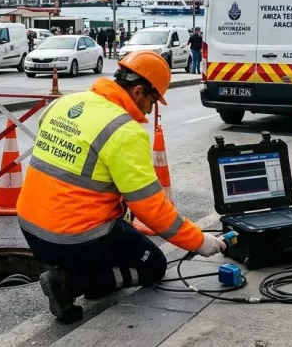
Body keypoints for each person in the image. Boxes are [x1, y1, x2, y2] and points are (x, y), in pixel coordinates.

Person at [17, 50, 226, 323]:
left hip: (31, 228)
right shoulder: (124, 131)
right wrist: (198, 241)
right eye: (152, 101)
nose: (150, 110)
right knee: (154, 265)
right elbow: (150, 208)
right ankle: (70, 282)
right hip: (75, 238)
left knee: (122, 231)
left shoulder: (65, 103)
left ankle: (82, 272)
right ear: (138, 91)